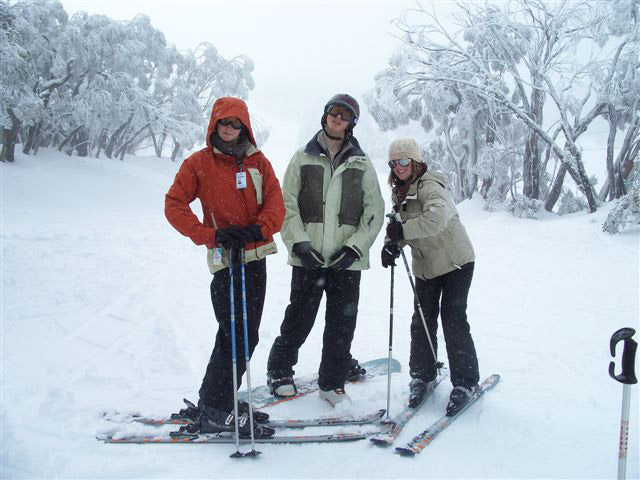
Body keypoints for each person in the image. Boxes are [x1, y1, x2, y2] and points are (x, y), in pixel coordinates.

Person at [164, 96, 285, 437]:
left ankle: (215, 399)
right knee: (235, 333)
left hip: (254, 258)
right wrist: (210, 235)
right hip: (224, 261)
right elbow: (174, 204)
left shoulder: (258, 162)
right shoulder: (199, 163)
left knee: (245, 334)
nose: (229, 128)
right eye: (224, 122)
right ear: (214, 124)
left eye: (236, 123)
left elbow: (276, 203)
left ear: (244, 127)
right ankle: (217, 407)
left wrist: (259, 229)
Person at [266, 94, 384, 407]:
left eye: (345, 115)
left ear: (351, 124)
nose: (338, 118)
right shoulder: (302, 157)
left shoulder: (361, 163)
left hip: (346, 263)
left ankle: (332, 383)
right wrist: (299, 242)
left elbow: (374, 211)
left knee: (341, 325)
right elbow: (286, 204)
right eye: (334, 112)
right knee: (299, 318)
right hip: (309, 259)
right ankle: (279, 371)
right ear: (326, 115)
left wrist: (355, 248)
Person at [381, 138, 480, 416]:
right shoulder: (400, 192)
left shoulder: (431, 186)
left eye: (403, 161)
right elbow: (399, 226)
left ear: (415, 161)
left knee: (453, 318)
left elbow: (435, 219)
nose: (398, 167)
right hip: (427, 267)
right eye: (393, 162)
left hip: (455, 262)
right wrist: (390, 245)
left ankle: (465, 382)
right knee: (422, 320)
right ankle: (422, 375)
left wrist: (402, 232)